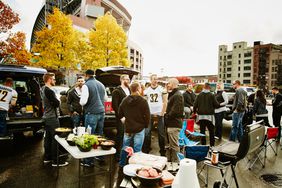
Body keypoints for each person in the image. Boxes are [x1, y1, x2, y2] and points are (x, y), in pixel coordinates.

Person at [118, 82, 150, 167]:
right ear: (138, 89)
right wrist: (146, 125)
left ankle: (122, 164)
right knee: (137, 150)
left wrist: (124, 120)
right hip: (139, 128)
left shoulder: (125, 100)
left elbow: (119, 113)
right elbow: (147, 115)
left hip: (128, 128)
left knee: (125, 147)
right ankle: (135, 166)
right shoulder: (143, 101)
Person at [80, 69, 106, 166]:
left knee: (89, 137)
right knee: (99, 135)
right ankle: (100, 156)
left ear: (86, 75)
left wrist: (80, 100)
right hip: (101, 112)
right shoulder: (101, 84)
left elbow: (83, 102)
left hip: (91, 113)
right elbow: (105, 98)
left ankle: (88, 161)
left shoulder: (86, 85)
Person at [41, 73, 68, 167]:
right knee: (56, 138)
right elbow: (56, 103)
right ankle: (55, 161)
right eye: (54, 79)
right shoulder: (49, 91)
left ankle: (47, 158)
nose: (55, 81)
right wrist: (58, 101)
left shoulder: (43, 89)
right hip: (52, 117)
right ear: (49, 79)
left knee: (48, 138)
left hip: (46, 117)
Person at [143, 74, 168, 156]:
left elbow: (165, 102)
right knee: (147, 132)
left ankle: (162, 151)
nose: (155, 80)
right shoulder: (147, 90)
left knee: (161, 133)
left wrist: (162, 113)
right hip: (149, 113)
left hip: (159, 113)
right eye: (154, 79)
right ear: (150, 80)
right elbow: (145, 103)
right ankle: (146, 149)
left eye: (156, 79)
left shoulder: (161, 89)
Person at [164, 78, 184, 162]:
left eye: (168, 83)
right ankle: (173, 162)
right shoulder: (174, 94)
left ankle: (176, 164)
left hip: (174, 124)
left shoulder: (177, 95)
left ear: (172, 84)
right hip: (172, 123)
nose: (167, 85)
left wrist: (167, 115)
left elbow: (175, 111)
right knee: (172, 145)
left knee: (174, 146)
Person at [112, 74, 131, 161]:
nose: (128, 81)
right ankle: (117, 155)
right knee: (120, 135)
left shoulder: (129, 89)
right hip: (121, 117)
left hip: (129, 116)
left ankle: (126, 153)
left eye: (128, 79)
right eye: (126, 79)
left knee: (128, 136)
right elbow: (115, 106)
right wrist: (121, 117)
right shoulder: (117, 91)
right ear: (121, 80)